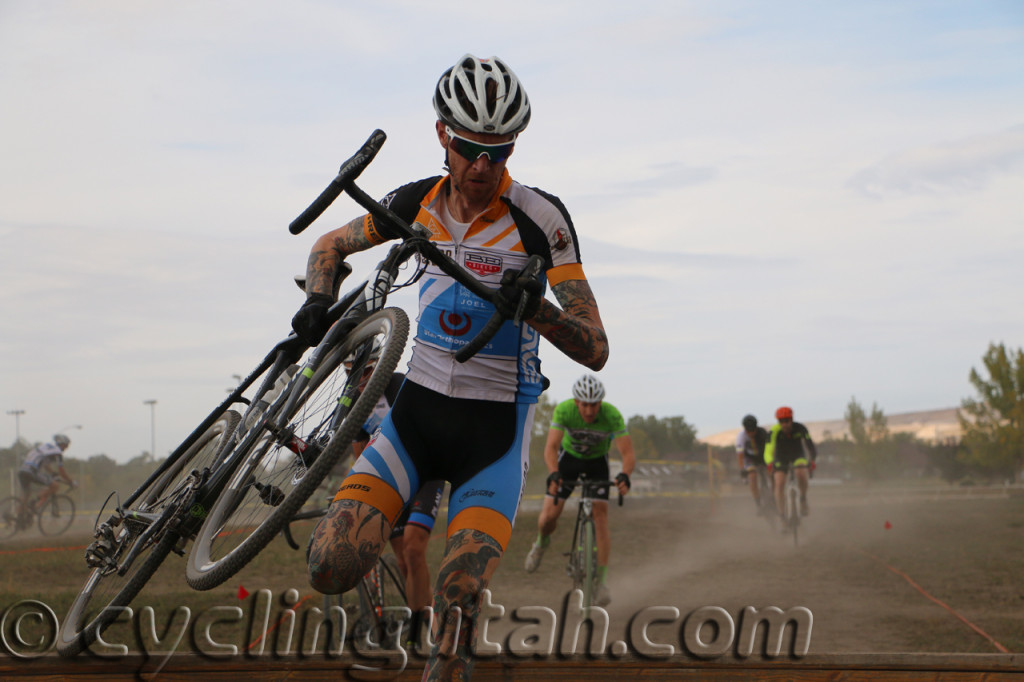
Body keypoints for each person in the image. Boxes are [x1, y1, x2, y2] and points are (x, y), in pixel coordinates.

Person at [298, 54, 608, 678]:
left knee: (457, 600)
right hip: (416, 419)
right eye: (471, 149)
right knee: (328, 566)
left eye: (501, 150)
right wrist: (317, 300)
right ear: (443, 134)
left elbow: (595, 346)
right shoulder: (416, 203)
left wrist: (538, 310)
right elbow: (327, 244)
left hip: (492, 435)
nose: (485, 166)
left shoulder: (542, 219)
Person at [350, 370, 444, 649]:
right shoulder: (354, 399)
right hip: (392, 480)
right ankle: (433, 623)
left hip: (425, 471)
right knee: (405, 562)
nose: (363, 379)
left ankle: (418, 632)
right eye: (354, 372)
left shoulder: (398, 384)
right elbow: (360, 452)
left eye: (369, 371)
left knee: (415, 550)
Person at [524, 374, 634, 606]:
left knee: (600, 518)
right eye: (584, 404)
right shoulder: (564, 411)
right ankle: (541, 542)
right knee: (548, 518)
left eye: (594, 404)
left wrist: (625, 475)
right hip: (569, 462)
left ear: (600, 403)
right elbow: (551, 447)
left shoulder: (611, 415)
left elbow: (627, 453)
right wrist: (554, 472)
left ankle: (601, 583)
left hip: (597, 464)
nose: (589, 410)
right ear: (576, 402)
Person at [763, 406, 817, 519]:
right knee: (779, 483)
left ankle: (802, 498)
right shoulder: (774, 431)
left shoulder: (800, 428)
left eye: (787, 421)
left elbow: (810, 446)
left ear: (791, 419)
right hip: (781, 457)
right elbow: (768, 451)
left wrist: (811, 460)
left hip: (798, 455)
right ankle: (782, 515)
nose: (784, 424)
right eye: (781, 421)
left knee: (801, 473)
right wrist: (770, 463)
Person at [18, 434, 76, 512]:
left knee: (26, 493)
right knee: (55, 486)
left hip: (22, 470)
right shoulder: (57, 452)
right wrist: (71, 482)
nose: (66, 448)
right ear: (61, 444)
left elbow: (45, 465)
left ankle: (19, 517)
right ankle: (34, 503)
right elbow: (61, 471)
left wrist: (53, 473)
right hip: (32, 471)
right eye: (66, 446)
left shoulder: (46, 447)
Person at [735, 414, 770, 512]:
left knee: (773, 474)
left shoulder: (762, 433)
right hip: (750, 460)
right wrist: (742, 469)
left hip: (763, 457)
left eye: (752, 430)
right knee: (752, 476)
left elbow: (771, 449)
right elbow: (740, 456)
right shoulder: (741, 437)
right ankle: (758, 504)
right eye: (748, 431)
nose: (750, 433)